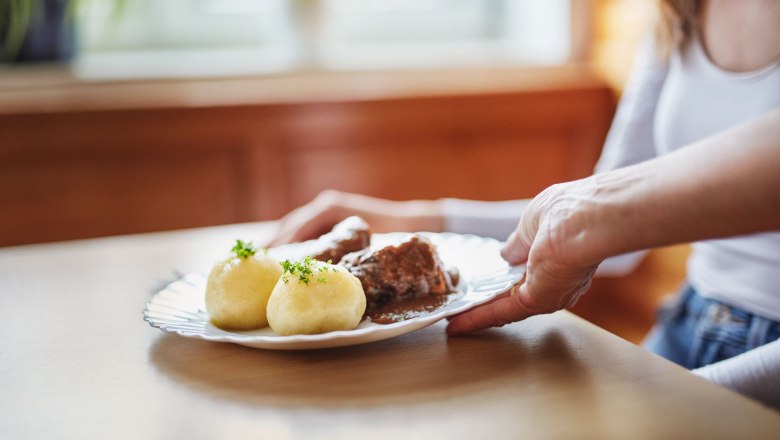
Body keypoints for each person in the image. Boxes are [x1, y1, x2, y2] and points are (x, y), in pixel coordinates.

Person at [268, 0, 780, 407]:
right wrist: (419, 221)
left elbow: (600, 217)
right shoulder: (678, 10)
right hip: (690, 320)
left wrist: (695, 400)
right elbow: (610, 216)